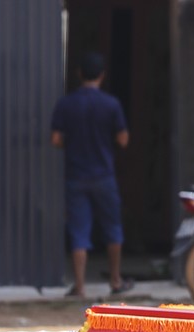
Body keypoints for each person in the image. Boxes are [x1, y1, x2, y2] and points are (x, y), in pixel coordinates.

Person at [50, 51, 130, 298]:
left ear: (79, 74)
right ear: (102, 76)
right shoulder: (111, 104)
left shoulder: (66, 104)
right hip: (104, 175)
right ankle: (116, 281)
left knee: (79, 232)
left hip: (76, 175)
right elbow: (123, 139)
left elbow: (55, 139)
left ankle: (80, 287)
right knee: (113, 228)